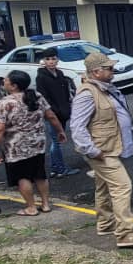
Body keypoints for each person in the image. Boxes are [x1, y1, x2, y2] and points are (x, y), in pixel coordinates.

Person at [70, 52, 133, 247]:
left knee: (103, 185)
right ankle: (124, 234)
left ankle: (105, 223)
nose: (113, 71)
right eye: (109, 68)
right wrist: (91, 150)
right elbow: (77, 126)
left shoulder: (105, 89)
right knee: (122, 186)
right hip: (101, 150)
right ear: (96, 72)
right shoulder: (88, 94)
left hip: (109, 146)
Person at [0, 71, 66, 216]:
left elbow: (0, 128)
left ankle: (31, 207)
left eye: (6, 80)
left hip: (16, 146)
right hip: (37, 143)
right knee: (39, 174)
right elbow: (50, 115)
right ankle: (46, 204)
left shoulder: (5, 103)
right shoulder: (36, 96)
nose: (3, 82)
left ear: (13, 86)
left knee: (22, 176)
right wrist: (60, 131)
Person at [36, 47, 81, 178]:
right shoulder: (41, 77)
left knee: (57, 141)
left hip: (63, 112)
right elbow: (43, 97)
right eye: (48, 59)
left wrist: (67, 107)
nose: (51, 62)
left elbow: (66, 94)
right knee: (56, 141)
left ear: (57, 60)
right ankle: (60, 168)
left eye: (53, 59)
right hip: (53, 114)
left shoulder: (60, 74)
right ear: (44, 61)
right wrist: (53, 111)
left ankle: (55, 168)